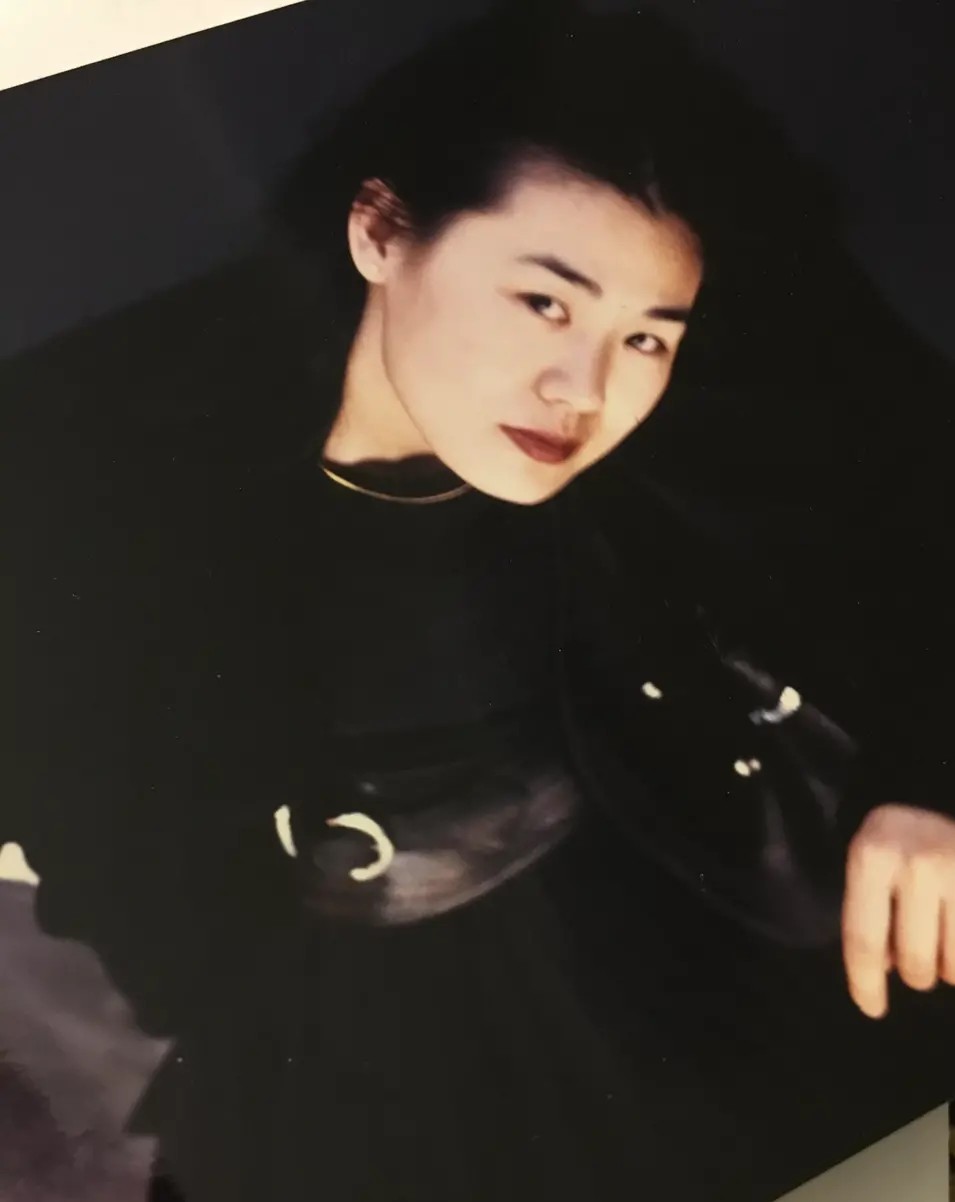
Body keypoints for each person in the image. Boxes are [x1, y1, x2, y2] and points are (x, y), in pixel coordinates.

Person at [4, 4, 955, 1200]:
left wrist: (928, 773)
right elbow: (127, 872)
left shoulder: (673, 439)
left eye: (646, 338)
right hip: (348, 1032)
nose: (583, 387)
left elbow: (905, 510)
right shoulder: (113, 462)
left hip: (671, 932)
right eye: (544, 301)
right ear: (379, 229)